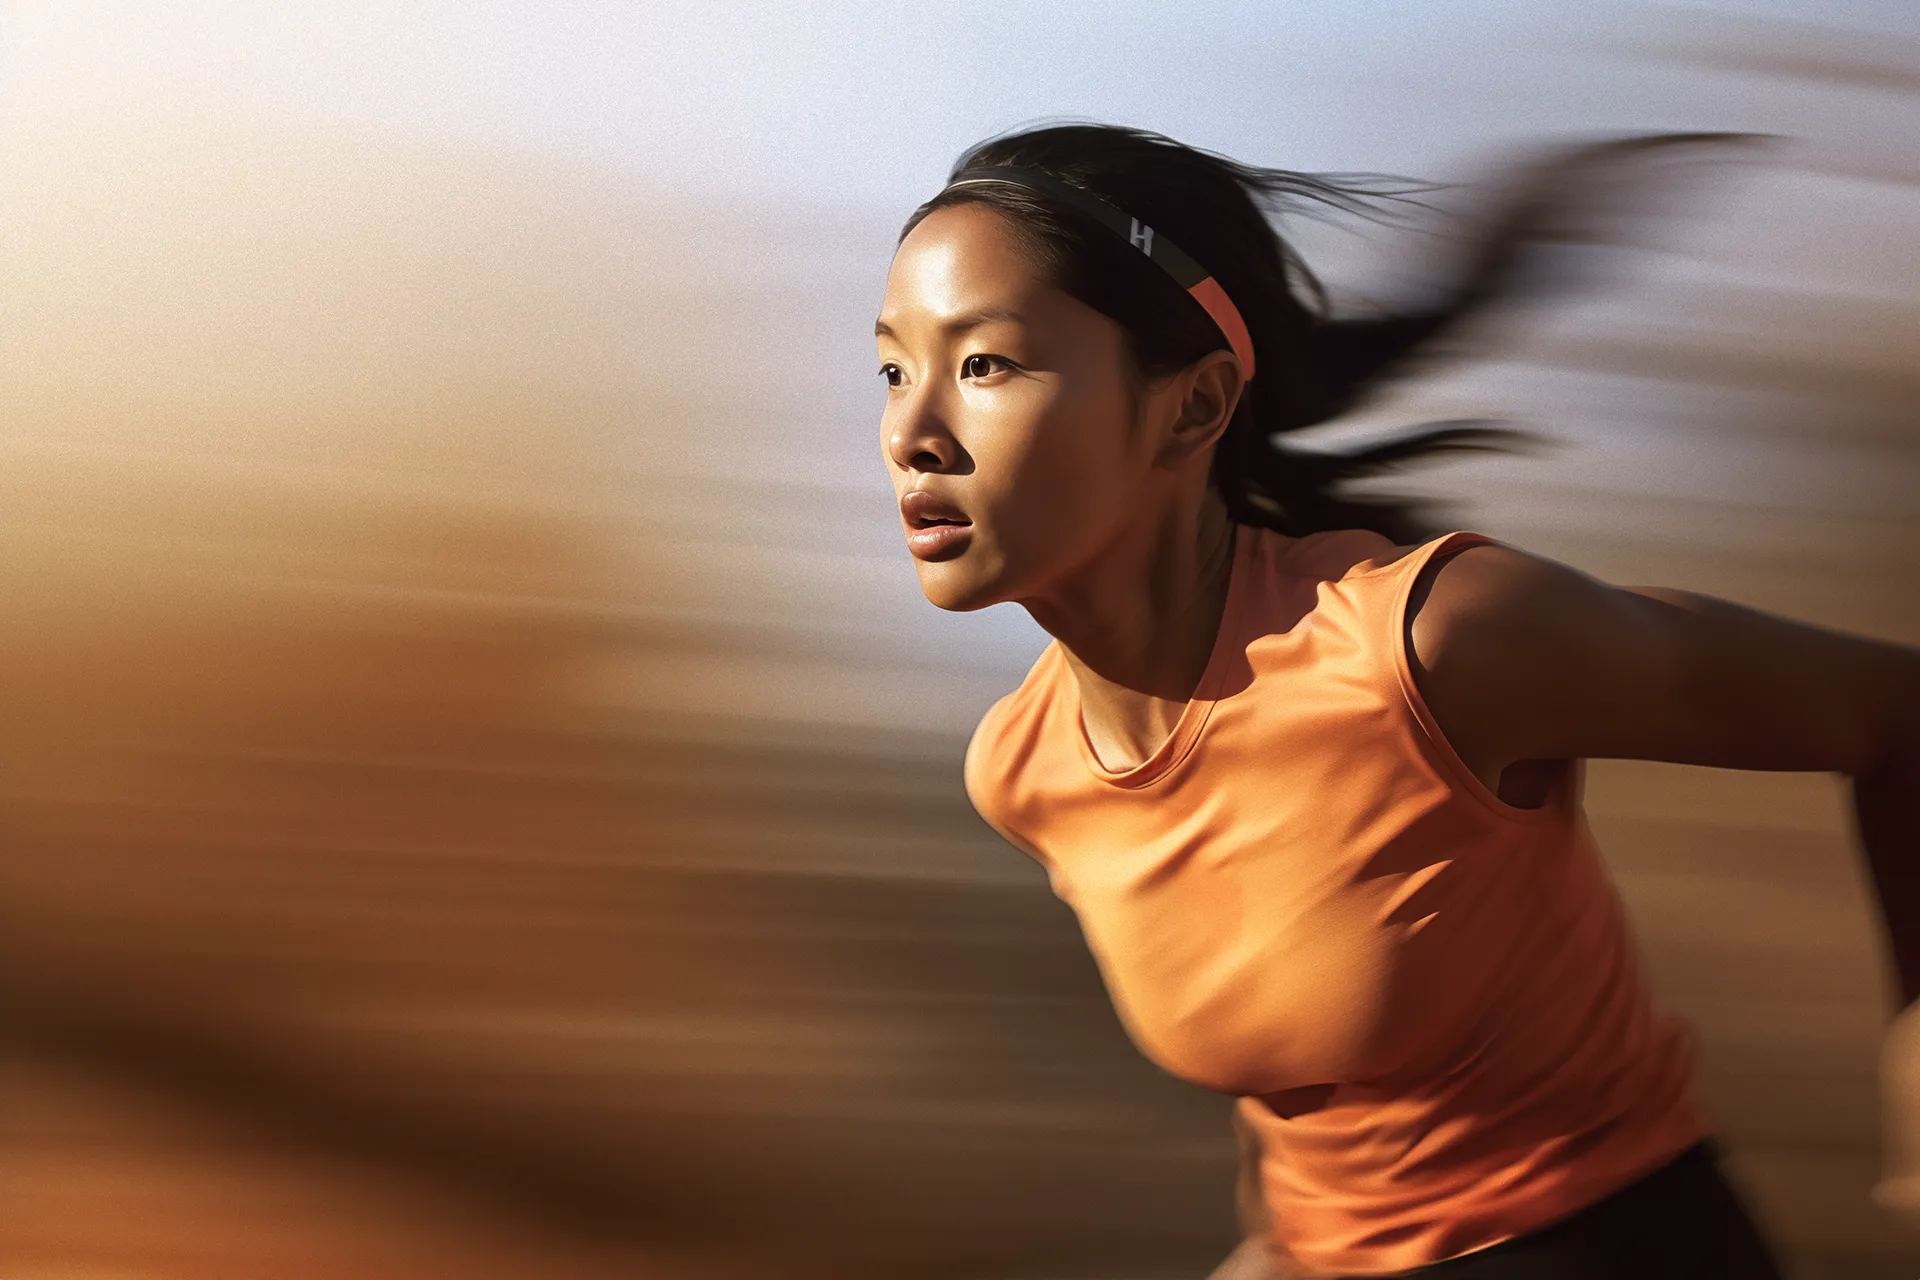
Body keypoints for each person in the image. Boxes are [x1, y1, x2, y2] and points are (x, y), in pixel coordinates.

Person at [872, 122, 1919, 1279]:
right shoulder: (1025, 770)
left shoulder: (1435, 647)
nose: (913, 436)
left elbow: (1899, 711)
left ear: (1192, 405)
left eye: (985, 365)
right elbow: (1300, 1076)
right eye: (893, 369)